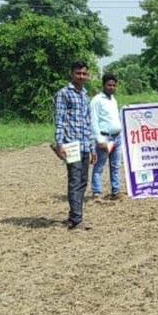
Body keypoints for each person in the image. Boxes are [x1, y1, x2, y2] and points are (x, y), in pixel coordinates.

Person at [53, 61, 97, 230]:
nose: (81, 76)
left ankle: (75, 216)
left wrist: (92, 147)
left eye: (84, 73)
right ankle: (76, 219)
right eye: (78, 73)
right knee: (75, 180)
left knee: (83, 181)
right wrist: (59, 144)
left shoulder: (85, 95)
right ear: (71, 74)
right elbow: (59, 121)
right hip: (71, 145)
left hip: (85, 145)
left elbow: (88, 122)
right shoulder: (63, 94)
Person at [89, 73, 123, 200]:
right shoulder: (97, 100)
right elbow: (93, 120)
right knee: (99, 166)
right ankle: (96, 192)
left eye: (114, 85)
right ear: (103, 85)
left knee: (115, 166)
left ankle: (116, 191)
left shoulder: (113, 99)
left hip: (117, 138)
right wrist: (99, 139)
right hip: (105, 138)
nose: (111, 87)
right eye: (109, 85)